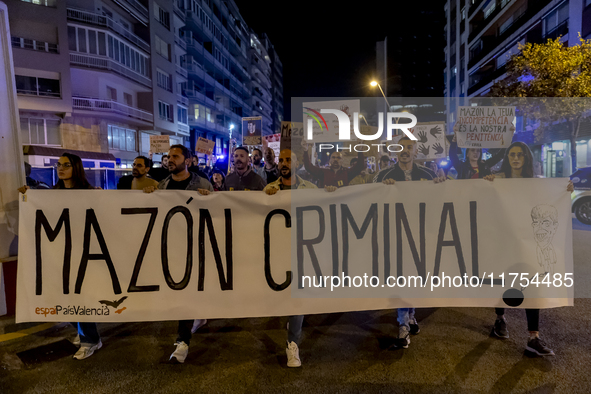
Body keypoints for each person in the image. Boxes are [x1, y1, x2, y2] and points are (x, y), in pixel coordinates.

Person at [484, 141, 574, 356]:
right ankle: (500, 319)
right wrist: (486, 185)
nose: (516, 158)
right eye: (512, 155)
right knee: (503, 282)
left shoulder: (536, 183)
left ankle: (533, 336)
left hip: (527, 241)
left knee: (531, 285)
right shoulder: (498, 181)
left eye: (520, 155)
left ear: (526, 158)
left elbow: (551, 202)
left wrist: (565, 191)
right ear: (507, 158)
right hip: (504, 240)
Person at [19, 153, 102, 360]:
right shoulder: (52, 193)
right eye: (58, 165)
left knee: (81, 298)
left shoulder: (89, 192)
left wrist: (102, 198)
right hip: (60, 254)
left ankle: (90, 340)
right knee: (63, 299)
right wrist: (28, 196)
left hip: (83, 253)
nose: (61, 168)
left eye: (66, 165)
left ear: (76, 168)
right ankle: (85, 332)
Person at [264, 148, 336, 367]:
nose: (284, 163)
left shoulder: (311, 189)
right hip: (276, 251)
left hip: (302, 250)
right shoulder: (268, 189)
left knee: (297, 296)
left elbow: (323, 210)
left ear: (297, 164)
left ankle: (292, 343)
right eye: (281, 160)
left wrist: (330, 193)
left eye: (289, 160)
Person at [142, 145, 213, 364]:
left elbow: (216, 214)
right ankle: (192, 324)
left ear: (188, 160)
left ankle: (183, 341)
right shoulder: (162, 185)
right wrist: (149, 197)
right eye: (168, 157)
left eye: (175, 156)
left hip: (195, 246)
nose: (170, 160)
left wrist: (209, 198)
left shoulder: (202, 184)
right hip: (170, 246)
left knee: (186, 292)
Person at [374, 136, 446, 349]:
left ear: (416, 151)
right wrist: (382, 188)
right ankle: (403, 325)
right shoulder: (383, 175)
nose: (405, 151)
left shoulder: (428, 174)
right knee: (402, 278)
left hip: (420, 234)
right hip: (396, 235)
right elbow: (371, 200)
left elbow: (440, 199)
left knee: (415, 278)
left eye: (409, 147)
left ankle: (411, 315)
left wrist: (442, 184)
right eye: (401, 147)